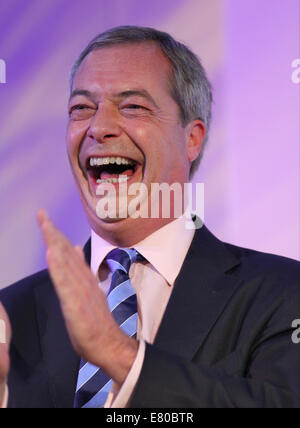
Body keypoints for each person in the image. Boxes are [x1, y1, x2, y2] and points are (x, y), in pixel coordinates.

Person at [0, 26, 299, 409]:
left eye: (132, 107)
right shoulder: (11, 316)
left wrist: (118, 354)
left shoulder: (284, 295)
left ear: (192, 138)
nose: (99, 127)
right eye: (81, 109)